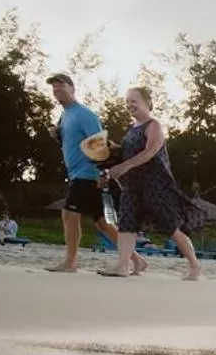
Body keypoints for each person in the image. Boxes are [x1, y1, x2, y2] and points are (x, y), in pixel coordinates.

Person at [97, 86, 202, 280]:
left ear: (147, 103)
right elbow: (126, 153)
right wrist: (111, 154)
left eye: (134, 101)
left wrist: (127, 165)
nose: (129, 105)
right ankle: (122, 266)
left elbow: (150, 151)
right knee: (126, 223)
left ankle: (195, 266)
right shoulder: (131, 130)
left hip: (156, 184)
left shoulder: (154, 125)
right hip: (132, 184)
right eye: (127, 102)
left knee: (170, 226)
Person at [44, 73, 127, 274]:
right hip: (76, 174)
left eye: (61, 85)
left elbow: (99, 144)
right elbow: (74, 143)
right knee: (102, 223)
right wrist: (57, 135)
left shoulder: (85, 114)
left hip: (88, 173)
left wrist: (102, 174)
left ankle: (70, 262)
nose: (57, 90)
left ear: (73, 88)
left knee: (69, 214)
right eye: (54, 87)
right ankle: (136, 259)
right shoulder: (65, 115)